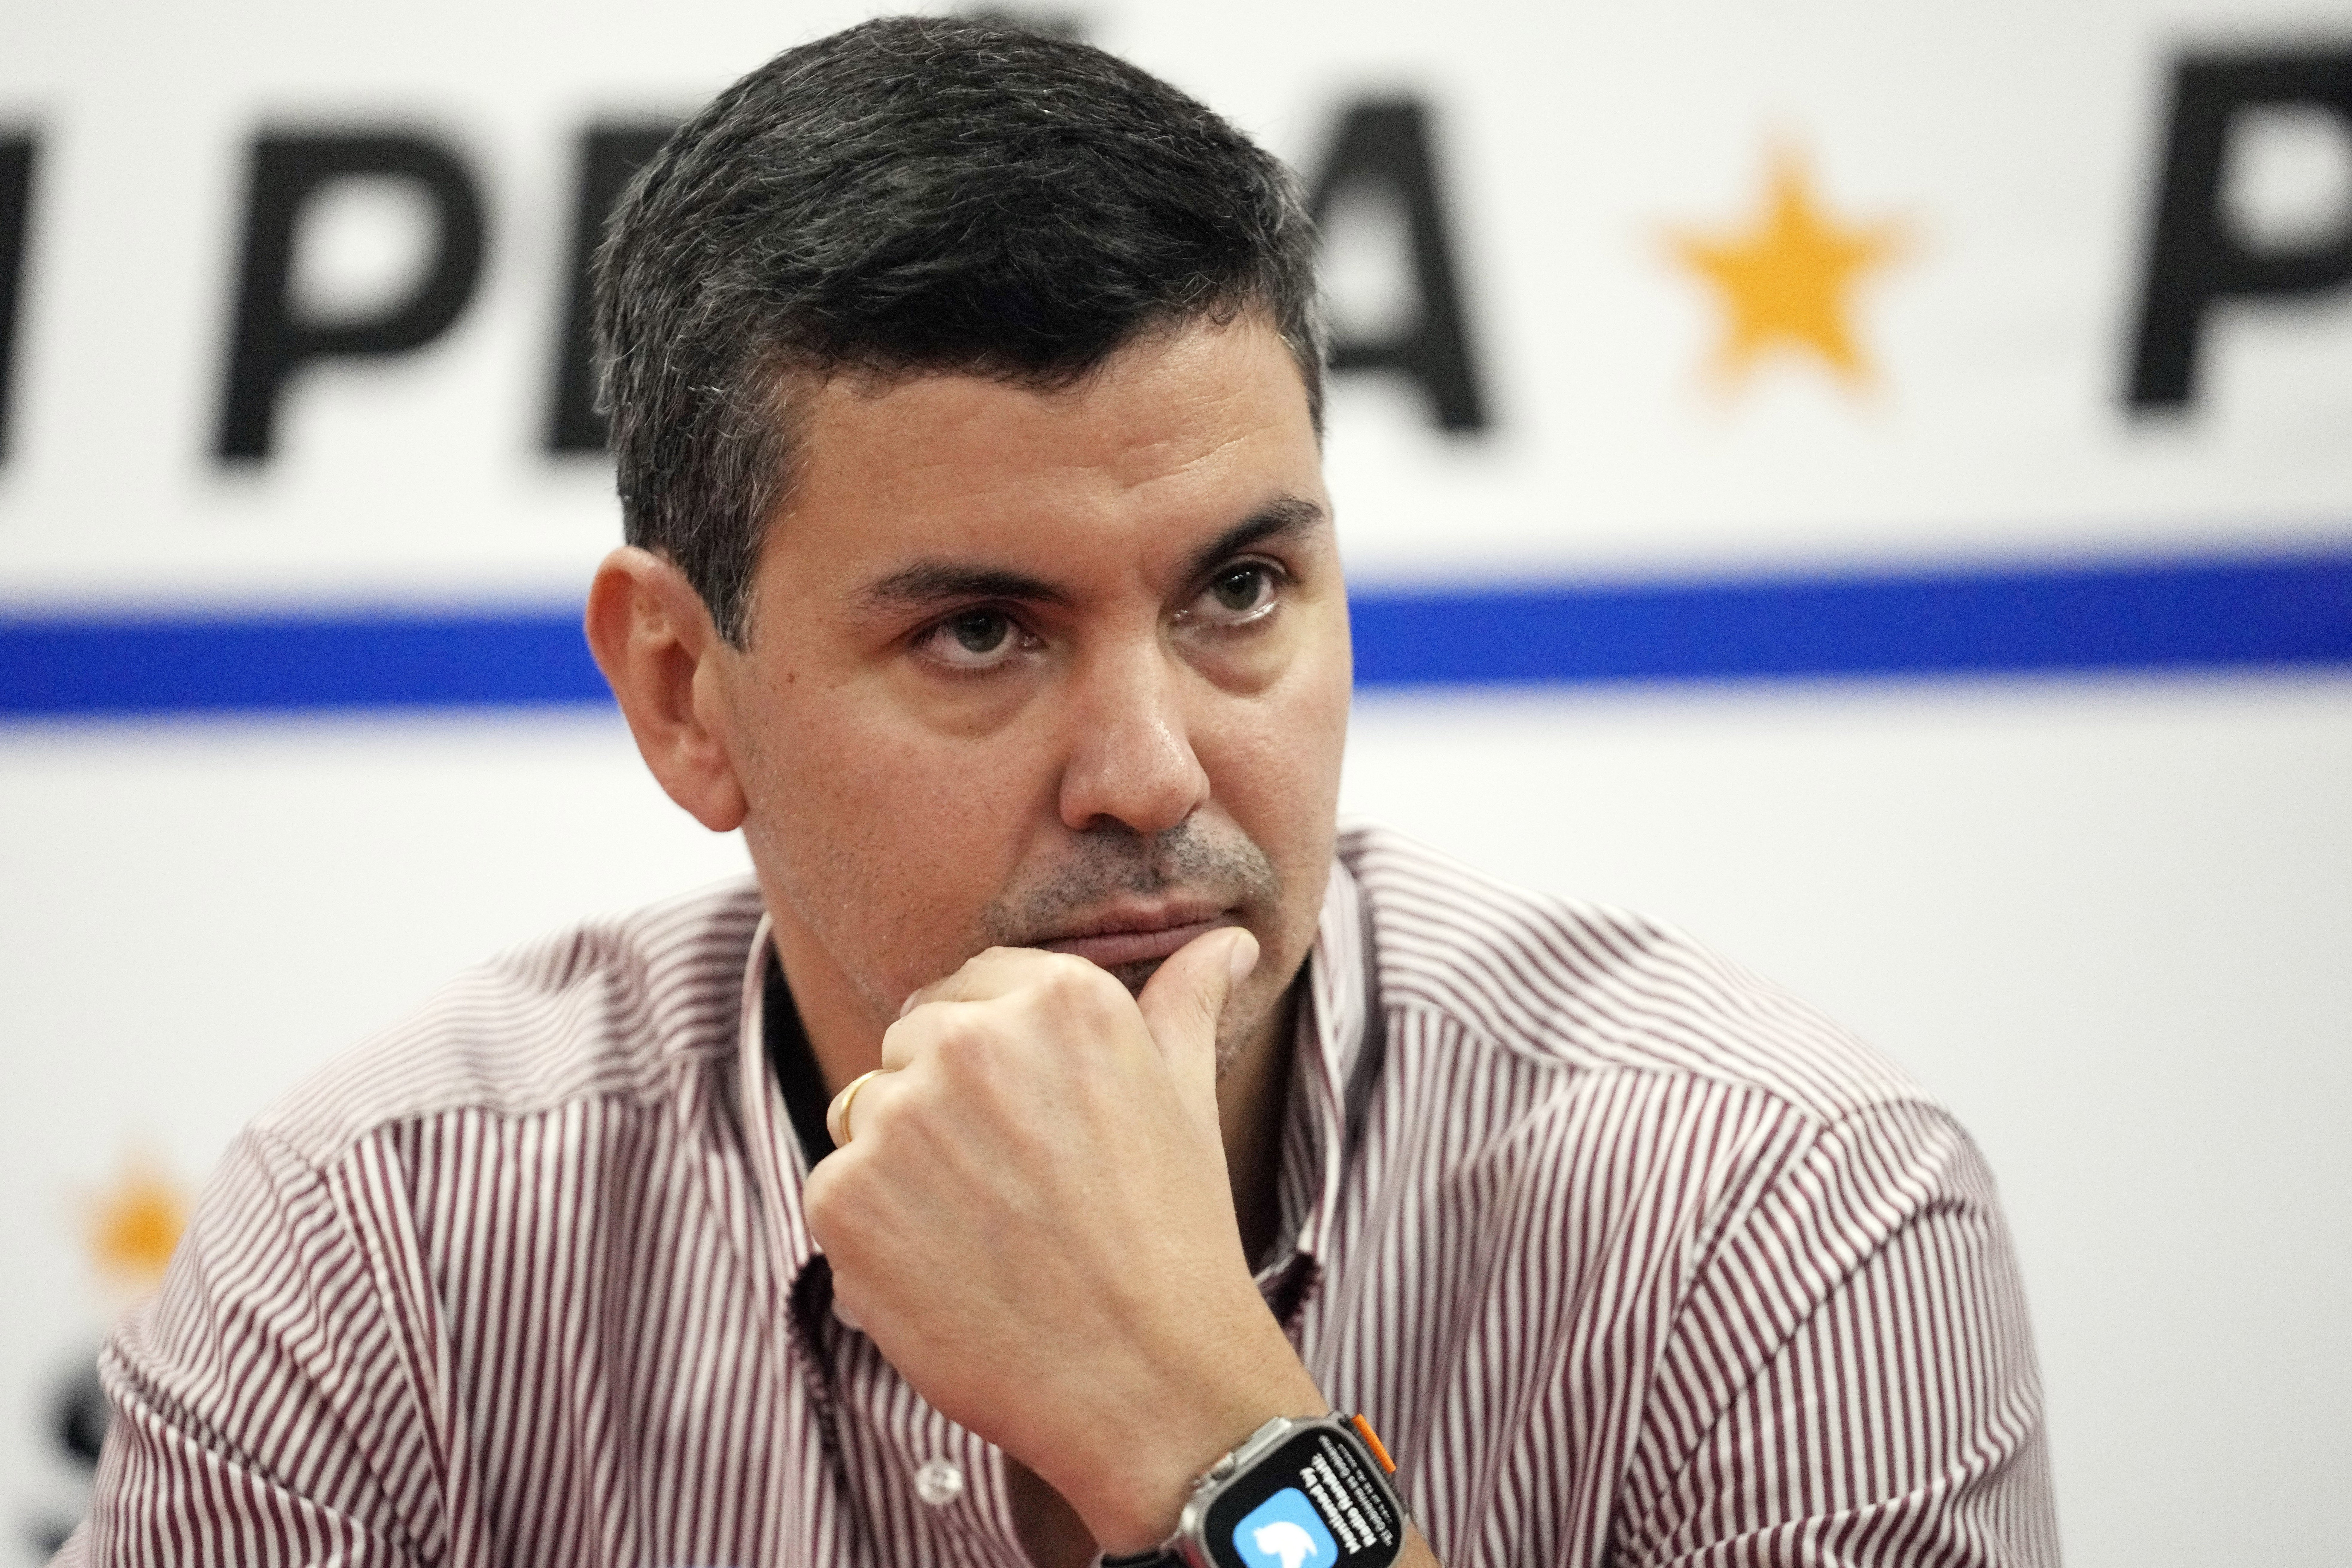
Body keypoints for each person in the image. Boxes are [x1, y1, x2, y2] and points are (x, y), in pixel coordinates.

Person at [60, 16, 2058, 1568]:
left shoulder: (1779, 1211)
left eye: (1240, 592)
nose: (1155, 770)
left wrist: (1207, 1436)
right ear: (685, 695)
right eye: (981, 635)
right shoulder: (385, 1251)